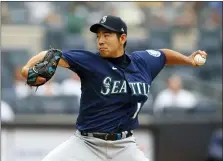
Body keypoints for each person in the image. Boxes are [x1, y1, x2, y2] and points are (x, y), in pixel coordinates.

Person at [21, 15, 207, 161]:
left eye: (107, 35)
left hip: (124, 146)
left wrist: (188, 60)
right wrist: (26, 69)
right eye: (98, 36)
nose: (100, 40)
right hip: (86, 144)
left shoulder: (143, 62)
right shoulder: (89, 61)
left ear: (122, 38)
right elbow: (50, 54)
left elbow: (164, 55)